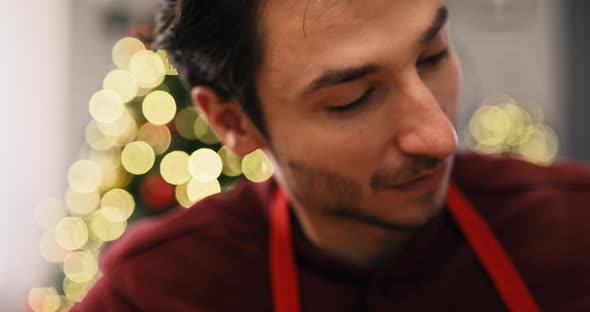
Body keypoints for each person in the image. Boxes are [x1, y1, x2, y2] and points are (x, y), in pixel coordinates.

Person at [73, 0, 590, 311]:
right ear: (233, 122)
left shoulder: (574, 229)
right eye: (353, 99)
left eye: (432, 57)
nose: (439, 137)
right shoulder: (152, 294)